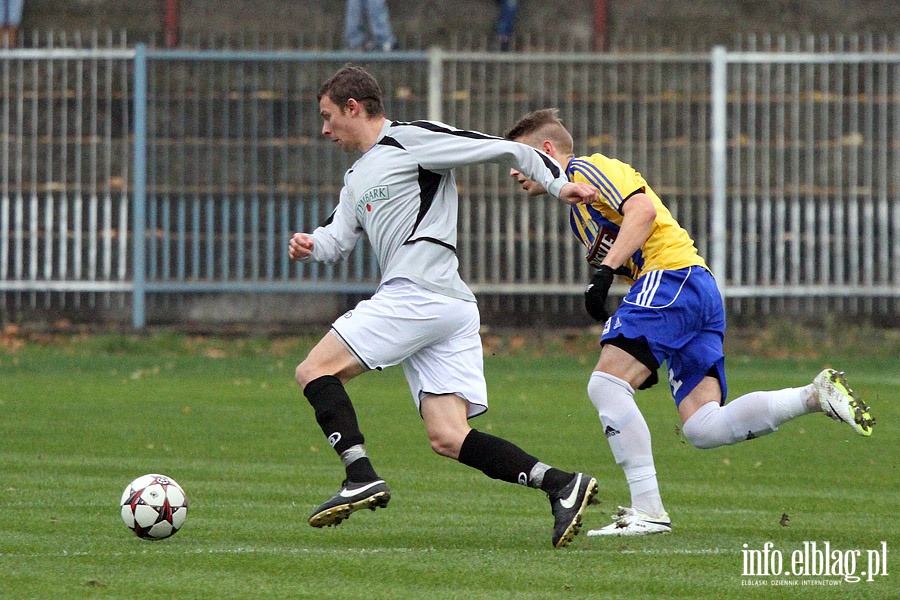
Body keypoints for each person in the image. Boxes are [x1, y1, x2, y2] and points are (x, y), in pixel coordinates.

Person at [504, 108, 876, 536]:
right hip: (693, 289)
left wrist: (604, 273)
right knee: (703, 427)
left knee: (605, 385)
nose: (513, 172)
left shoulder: (589, 168)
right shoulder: (577, 212)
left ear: (547, 151)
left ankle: (649, 511)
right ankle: (812, 397)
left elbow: (641, 211)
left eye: (520, 158)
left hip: (673, 278)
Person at [289, 67, 602, 548]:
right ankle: (561, 485)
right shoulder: (355, 178)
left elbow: (511, 149)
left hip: (419, 292)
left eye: (328, 117)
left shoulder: (412, 140)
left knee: (314, 372)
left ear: (354, 108)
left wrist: (560, 187)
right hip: (446, 306)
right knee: (449, 437)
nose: (324, 130)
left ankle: (359, 474)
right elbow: (338, 237)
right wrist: (313, 244)